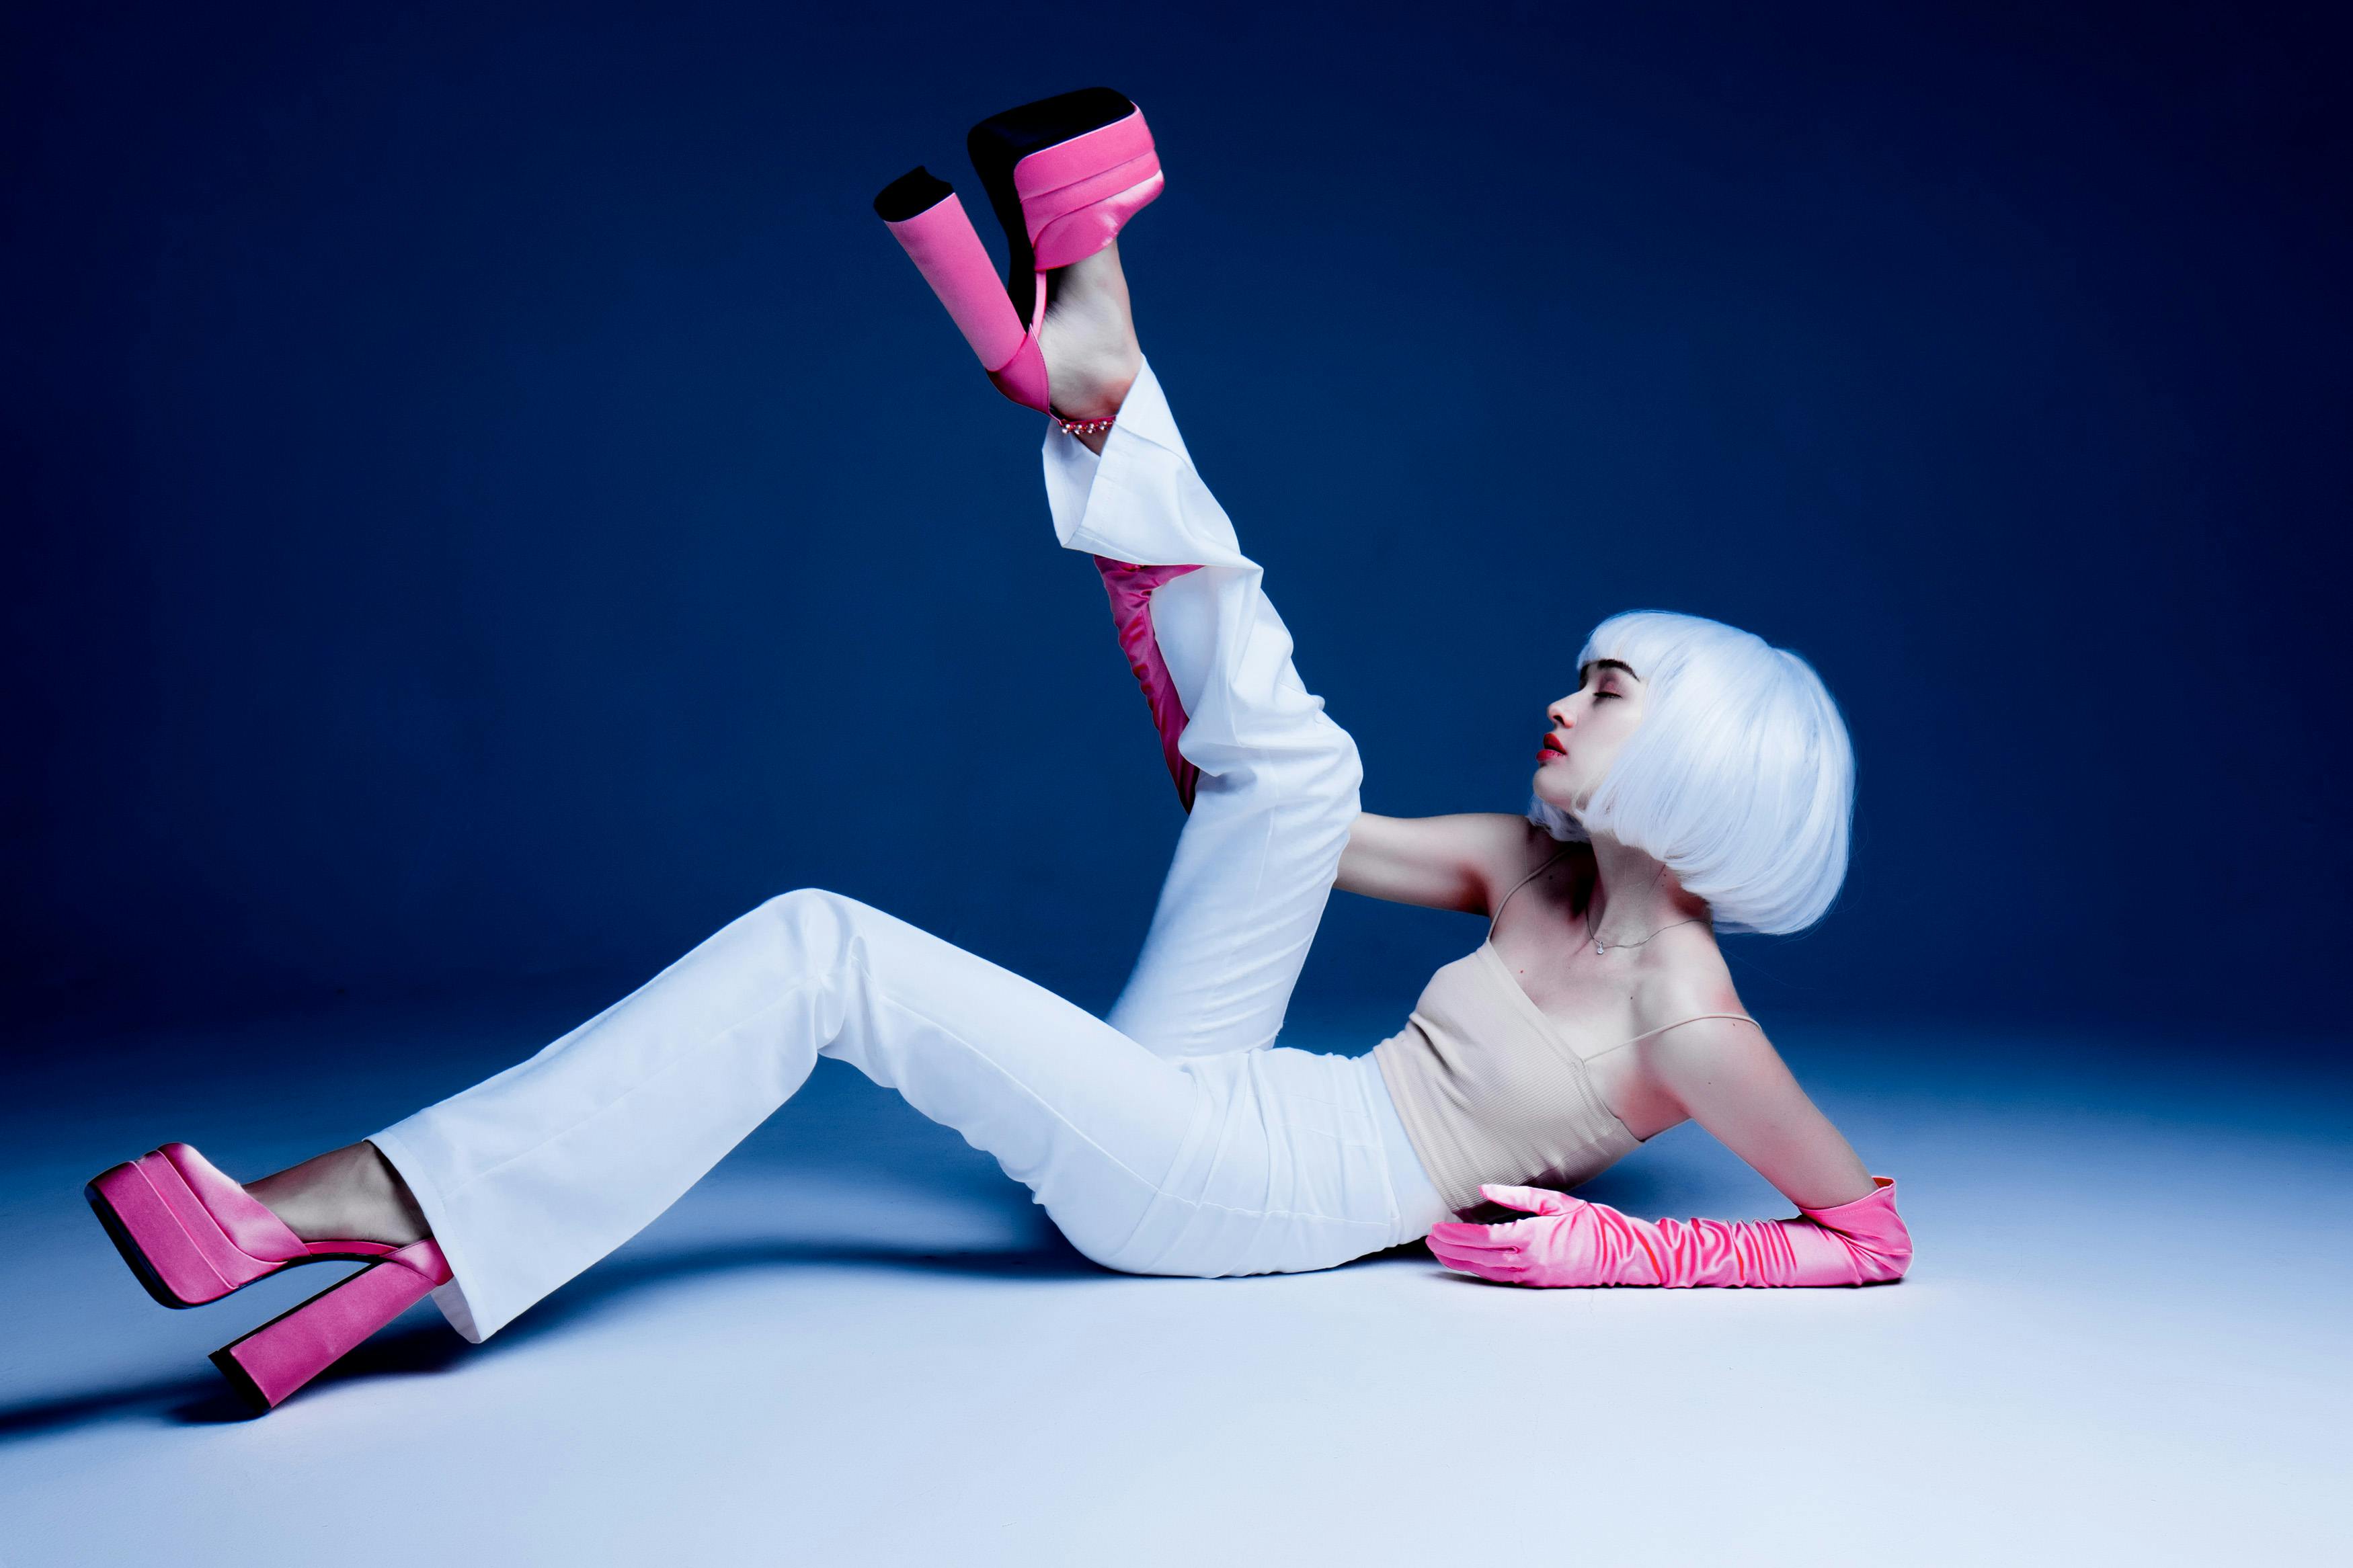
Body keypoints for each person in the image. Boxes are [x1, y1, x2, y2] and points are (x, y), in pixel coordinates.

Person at [84, 88, 1910, 1414]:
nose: (1561, 703)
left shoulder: (1689, 1024)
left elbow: (1861, 1236)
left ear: (1707, 776)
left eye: (1611, 695)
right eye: (1582, 677)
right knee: (1294, 770)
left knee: (822, 949)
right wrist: (1161, 643)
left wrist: (1620, 1253)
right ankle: (1104, 378)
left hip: (1248, 1201)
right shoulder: (1530, 869)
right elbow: (1249, 810)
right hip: (1226, 1095)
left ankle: (336, 1206)